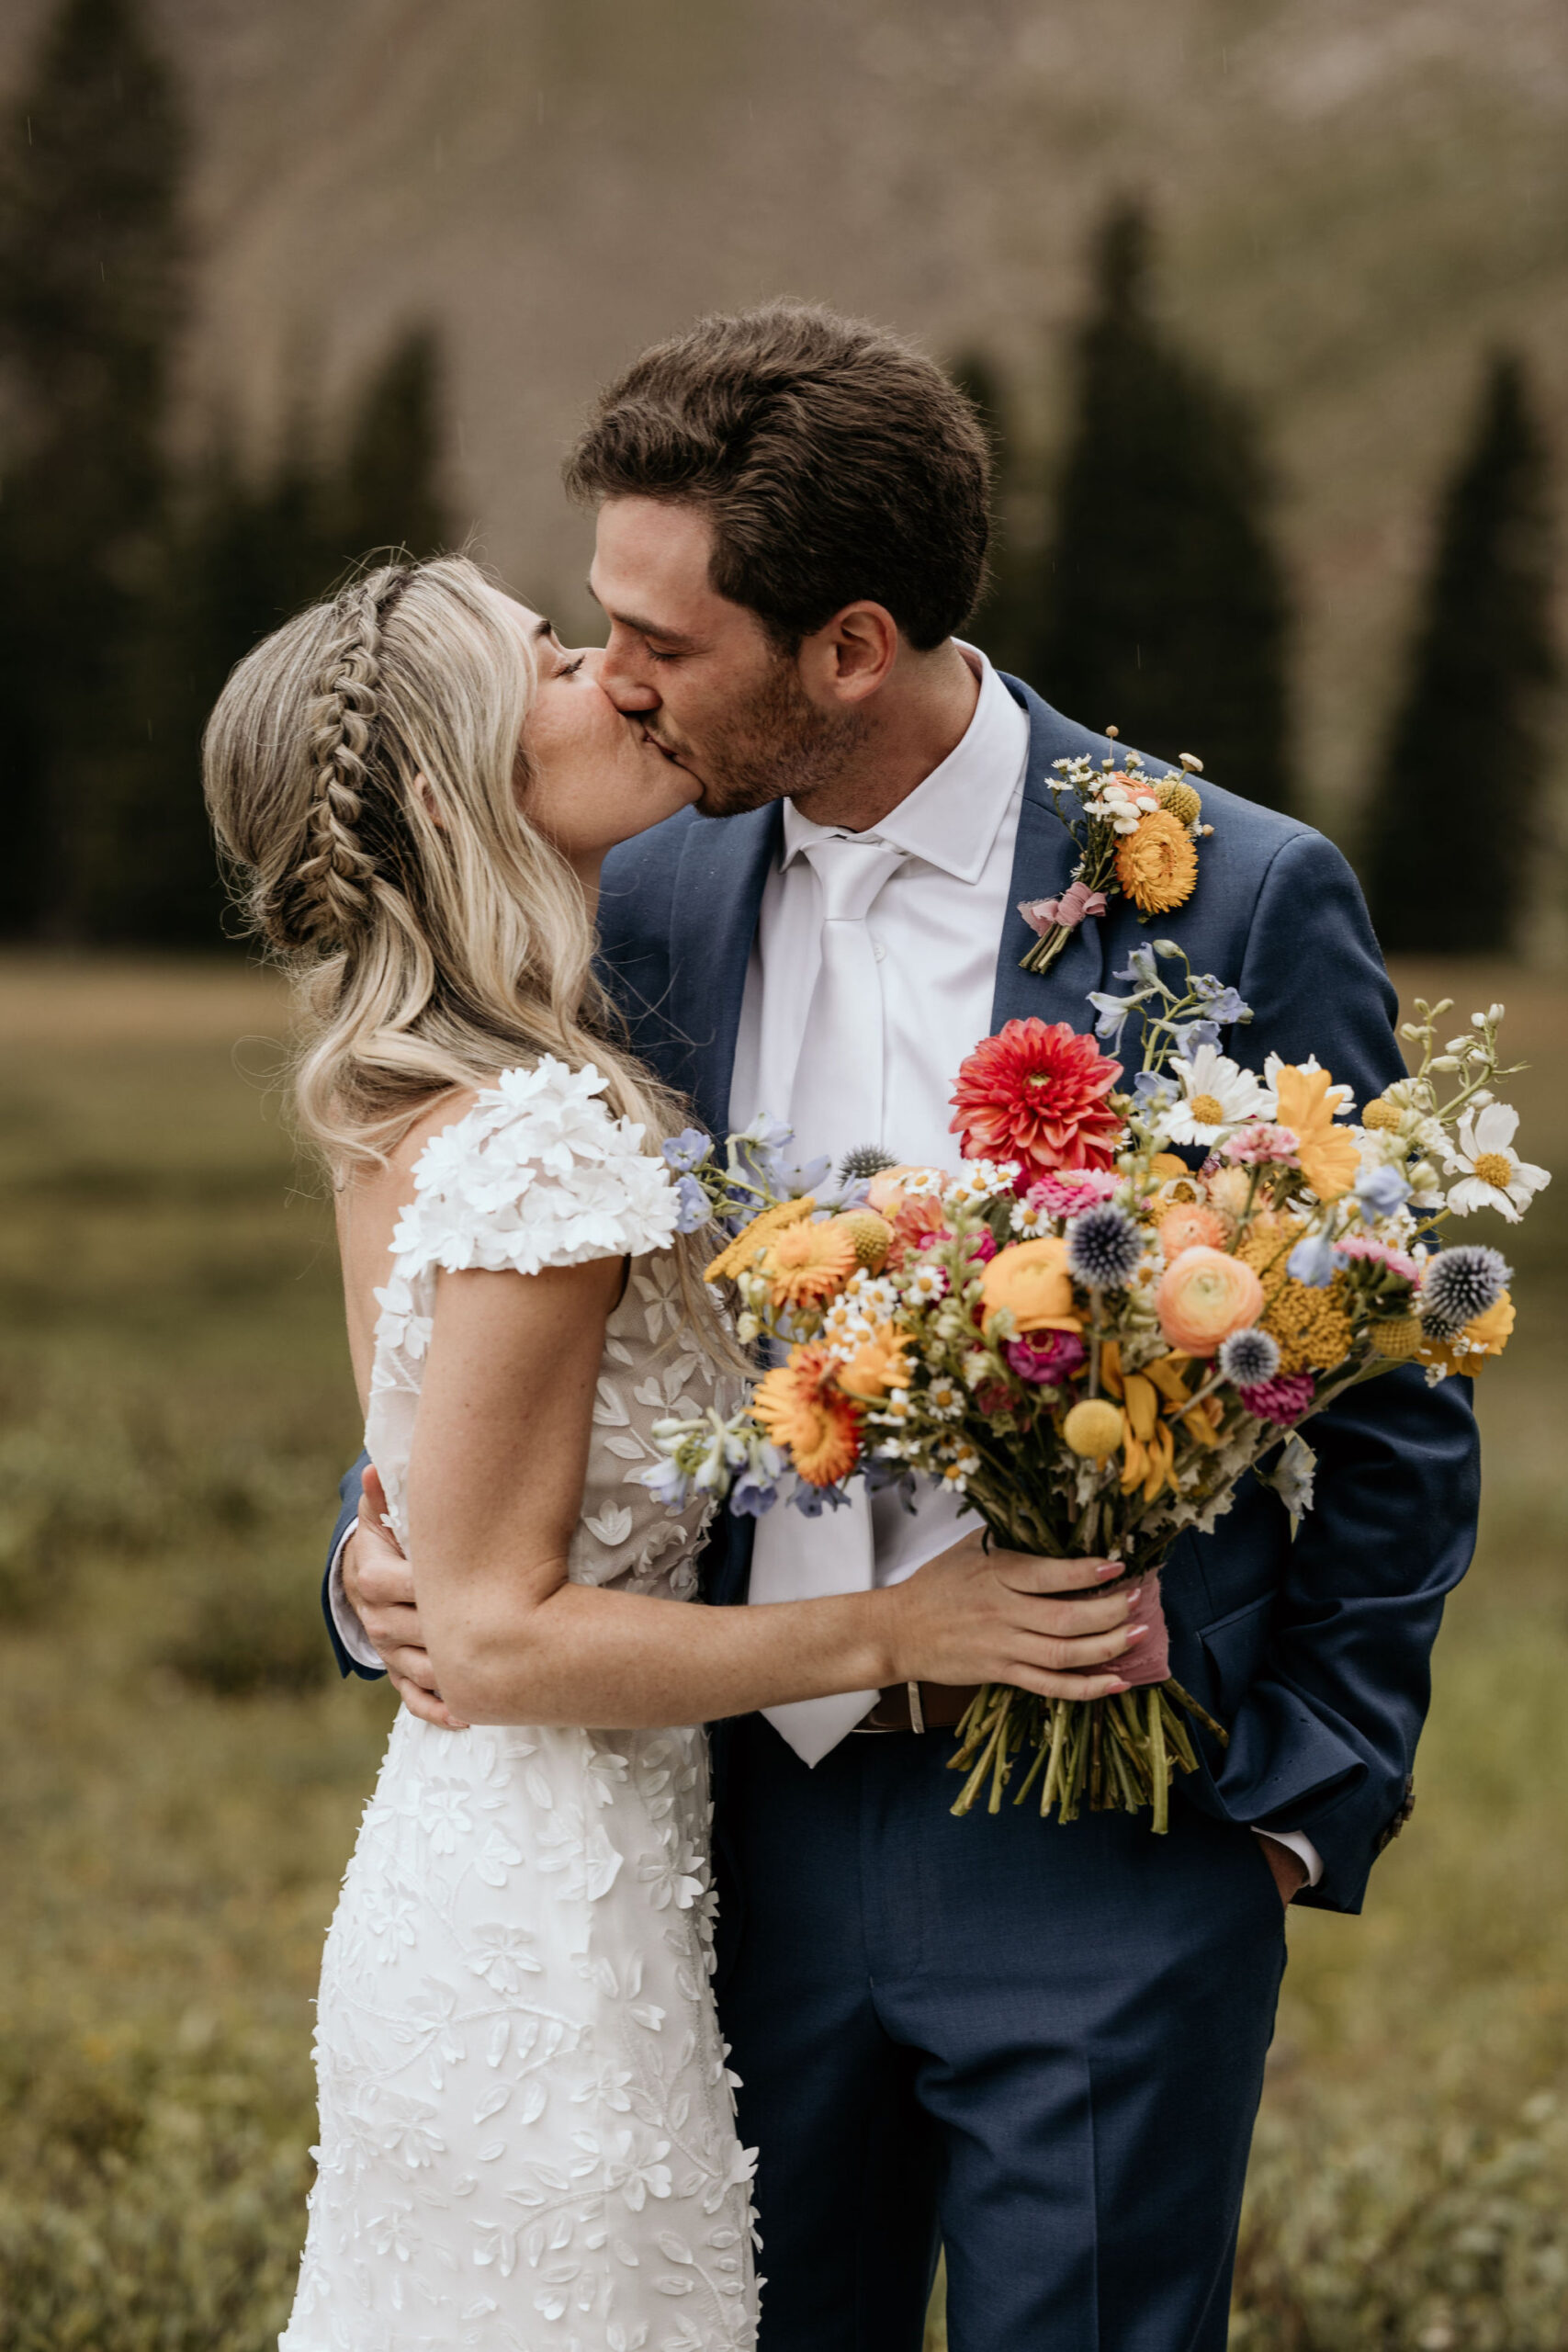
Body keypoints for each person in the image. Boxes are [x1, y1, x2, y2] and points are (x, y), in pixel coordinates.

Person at [330, 306, 1483, 2349]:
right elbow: (522, 1268)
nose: (606, 683)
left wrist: (1292, 1804)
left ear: (845, 646)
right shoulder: (637, 886)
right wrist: (377, 1544)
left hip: (1107, 1832)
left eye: (660, 644)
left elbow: (1384, 1387)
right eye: (597, 623)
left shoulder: (1228, 895)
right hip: (721, 1826)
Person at [205, 552, 1149, 2351]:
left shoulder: (430, 1088)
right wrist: (899, 1626)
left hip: (532, 1873)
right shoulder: (541, 1133)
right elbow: (489, 1629)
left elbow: (434, 1495)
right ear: (450, 785)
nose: (617, 681)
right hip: (549, 1927)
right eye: (555, 662)